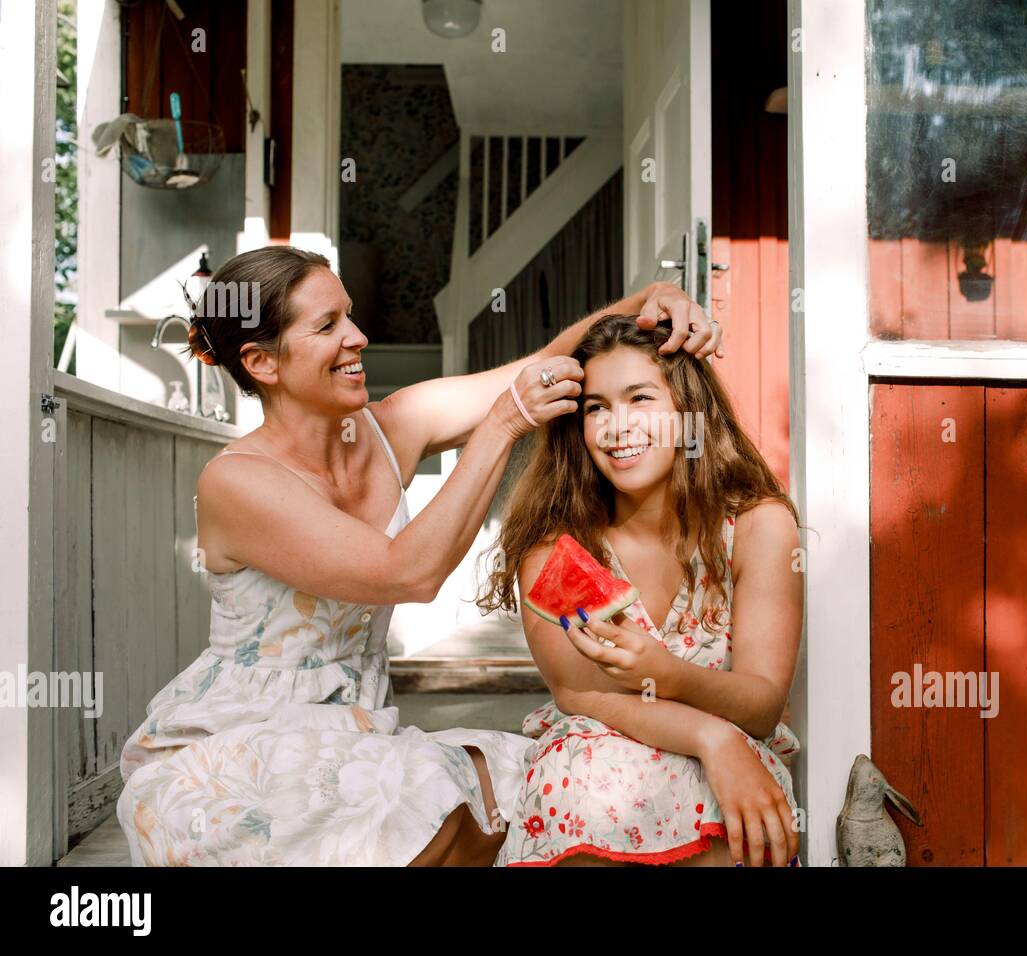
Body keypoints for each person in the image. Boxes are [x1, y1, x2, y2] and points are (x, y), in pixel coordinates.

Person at [115, 245, 721, 866]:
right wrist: (501, 426)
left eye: (348, 315)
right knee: (423, 797)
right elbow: (407, 572)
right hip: (241, 749)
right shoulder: (237, 481)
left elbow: (544, 366)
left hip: (357, 736)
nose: (358, 336)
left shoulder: (388, 427)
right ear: (262, 362)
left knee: (533, 783)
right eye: (327, 326)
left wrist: (647, 302)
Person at [478, 314, 803, 867]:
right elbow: (582, 696)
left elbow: (764, 705)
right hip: (598, 756)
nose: (616, 426)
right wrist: (711, 736)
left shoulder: (757, 527)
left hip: (729, 763)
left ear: (689, 413)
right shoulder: (555, 550)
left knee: (719, 801)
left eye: (640, 398)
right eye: (596, 408)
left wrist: (672, 679)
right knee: (581, 781)